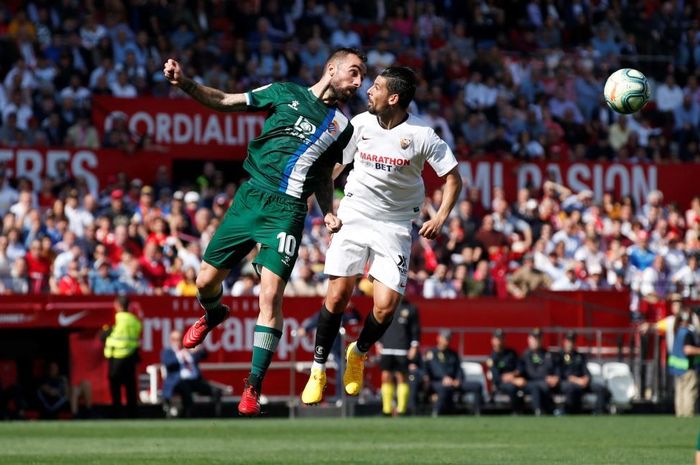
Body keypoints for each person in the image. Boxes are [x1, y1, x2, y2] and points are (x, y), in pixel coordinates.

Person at [163, 48, 367, 416]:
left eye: (361, 77)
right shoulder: (284, 92)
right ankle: (213, 313)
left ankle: (252, 387)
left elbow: (323, 175)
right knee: (206, 282)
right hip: (250, 197)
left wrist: (328, 212)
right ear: (331, 69)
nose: (357, 83)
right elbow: (226, 101)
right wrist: (185, 84)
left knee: (270, 295)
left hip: (287, 211)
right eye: (353, 73)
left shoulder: (342, 126)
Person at [300, 66, 462, 404]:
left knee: (386, 307)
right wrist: (325, 208)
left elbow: (453, 178)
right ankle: (318, 369)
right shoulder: (359, 124)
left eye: (375, 87)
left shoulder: (423, 135)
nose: (367, 91)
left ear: (394, 98)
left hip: (396, 223)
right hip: (355, 213)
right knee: (337, 296)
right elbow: (334, 169)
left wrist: (442, 217)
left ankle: (358, 353)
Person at [160, 330, 222, 418]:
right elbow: (168, 363)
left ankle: (213, 416)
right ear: (171, 340)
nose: (178, 342)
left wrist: (198, 348)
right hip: (179, 381)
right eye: (175, 339)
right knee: (186, 389)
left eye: (180, 339)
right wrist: (179, 355)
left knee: (216, 391)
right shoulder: (168, 352)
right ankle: (187, 415)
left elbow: (204, 355)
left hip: (195, 381)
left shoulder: (189, 351)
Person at [376, 299, 420, 416]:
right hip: (387, 347)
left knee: (401, 377)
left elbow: (415, 329)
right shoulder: (386, 305)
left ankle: (401, 409)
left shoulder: (411, 308)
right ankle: (387, 409)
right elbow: (379, 323)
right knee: (386, 377)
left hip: (402, 348)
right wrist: (378, 342)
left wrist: (414, 345)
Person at [424, 329, 482, 416]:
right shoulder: (432, 353)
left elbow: (459, 369)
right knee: (444, 389)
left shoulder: (453, 354)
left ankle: (477, 412)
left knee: (477, 386)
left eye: (449, 338)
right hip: (437, 382)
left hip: (454, 382)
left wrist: (458, 380)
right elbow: (434, 368)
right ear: (439, 338)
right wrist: (444, 377)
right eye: (445, 338)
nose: (447, 341)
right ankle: (436, 412)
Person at [103, 295, 142, 418]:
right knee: (130, 386)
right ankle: (133, 414)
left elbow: (104, 335)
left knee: (116, 387)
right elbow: (137, 333)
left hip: (116, 356)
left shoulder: (115, 319)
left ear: (117, 305)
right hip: (131, 356)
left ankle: (116, 413)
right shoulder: (134, 320)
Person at [556, 331, 609, 414]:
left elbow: (586, 370)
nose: (570, 344)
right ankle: (571, 411)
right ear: (564, 342)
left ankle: (599, 412)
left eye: (572, 341)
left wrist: (587, 378)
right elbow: (561, 373)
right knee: (572, 388)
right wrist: (576, 380)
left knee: (601, 388)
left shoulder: (580, 356)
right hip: (568, 382)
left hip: (582, 382)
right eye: (569, 341)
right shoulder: (559, 355)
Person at [668, 301, 700, 417]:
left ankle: (680, 415)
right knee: (689, 392)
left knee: (680, 393)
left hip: (677, 368)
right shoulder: (688, 332)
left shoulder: (679, 331)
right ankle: (688, 415)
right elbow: (688, 349)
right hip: (688, 367)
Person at [520, 328, 558, 415]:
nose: (537, 341)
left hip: (545, 383)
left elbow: (550, 368)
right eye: (534, 338)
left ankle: (552, 410)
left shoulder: (546, 354)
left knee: (546, 385)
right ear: (529, 339)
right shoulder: (526, 355)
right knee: (537, 387)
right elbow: (531, 373)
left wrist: (555, 377)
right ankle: (538, 410)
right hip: (530, 383)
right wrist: (545, 377)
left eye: (539, 338)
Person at [487, 329, 525, 413]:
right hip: (501, 383)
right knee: (512, 387)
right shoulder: (492, 358)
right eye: (497, 338)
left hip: (517, 379)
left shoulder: (511, 353)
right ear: (493, 340)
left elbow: (520, 367)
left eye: (501, 338)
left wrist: (514, 374)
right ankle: (516, 411)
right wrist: (513, 380)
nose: (500, 341)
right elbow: (496, 377)